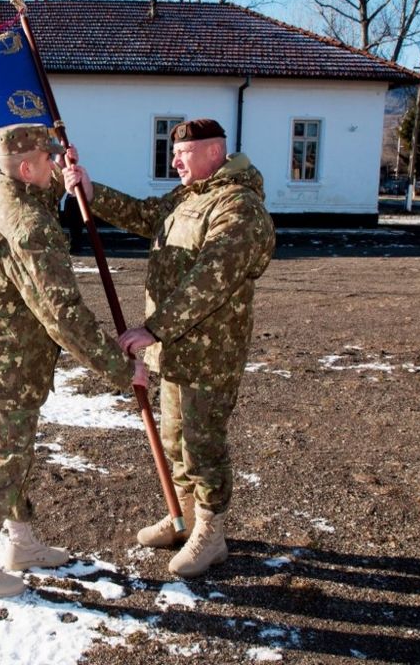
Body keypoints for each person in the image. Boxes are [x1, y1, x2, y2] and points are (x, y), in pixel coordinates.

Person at [63, 118, 275, 578]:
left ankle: (211, 532)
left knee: (203, 444)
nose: (174, 160)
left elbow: (212, 278)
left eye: (184, 152)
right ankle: (183, 517)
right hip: (176, 352)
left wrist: (154, 328)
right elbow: (145, 215)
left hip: (210, 355)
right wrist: (91, 190)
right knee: (176, 440)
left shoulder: (239, 206)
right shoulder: (187, 197)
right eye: (174, 152)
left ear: (214, 152)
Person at [0, 123, 148, 598]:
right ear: (27, 168)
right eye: (48, 160)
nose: (55, 165)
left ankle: (20, 543)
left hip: (0, 361)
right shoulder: (30, 227)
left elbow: (45, 190)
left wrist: (69, 178)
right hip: (11, 368)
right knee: (5, 461)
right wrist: (122, 368)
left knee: (16, 455)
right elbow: (64, 316)